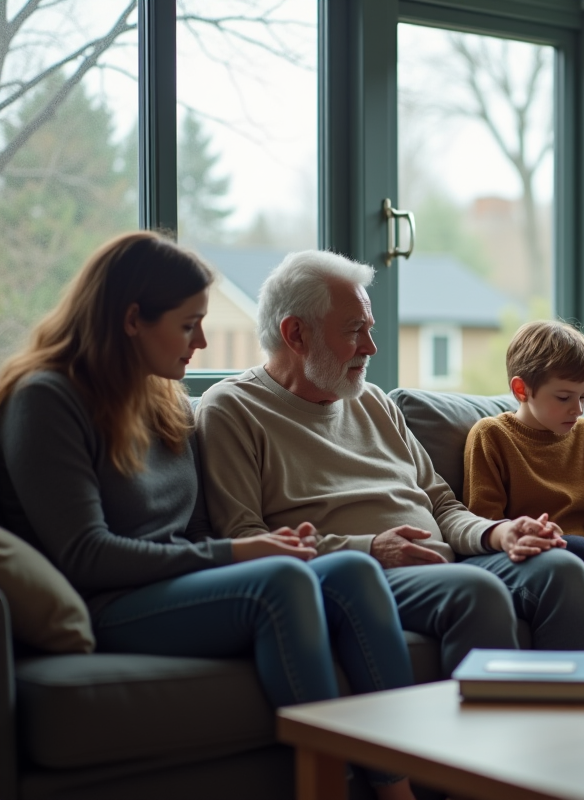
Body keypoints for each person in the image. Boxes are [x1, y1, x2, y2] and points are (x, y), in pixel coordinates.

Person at [0, 232, 416, 799]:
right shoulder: (46, 399)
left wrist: (258, 546)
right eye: (187, 323)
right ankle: (328, 790)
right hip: (110, 602)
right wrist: (238, 553)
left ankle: (399, 788)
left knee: (352, 570)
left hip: (178, 582)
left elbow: (193, 525)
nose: (199, 341)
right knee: (281, 583)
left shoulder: (162, 396)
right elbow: (85, 555)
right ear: (131, 320)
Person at [196, 250, 584, 674]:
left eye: (369, 329)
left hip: (447, 562)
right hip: (359, 580)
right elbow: (245, 537)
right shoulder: (232, 409)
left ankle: (573, 730)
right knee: (474, 591)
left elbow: (442, 506)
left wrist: (498, 534)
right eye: (355, 331)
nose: (371, 347)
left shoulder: (372, 401)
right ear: (296, 335)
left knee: (563, 568)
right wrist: (370, 549)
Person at [462, 320, 584, 652]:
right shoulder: (491, 435)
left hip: (578, 557)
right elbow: (483, 525)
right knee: (575, 547)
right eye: (564, 397)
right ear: (522, 390)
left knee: (580, 548)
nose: (577, 409)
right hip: (515, 557)